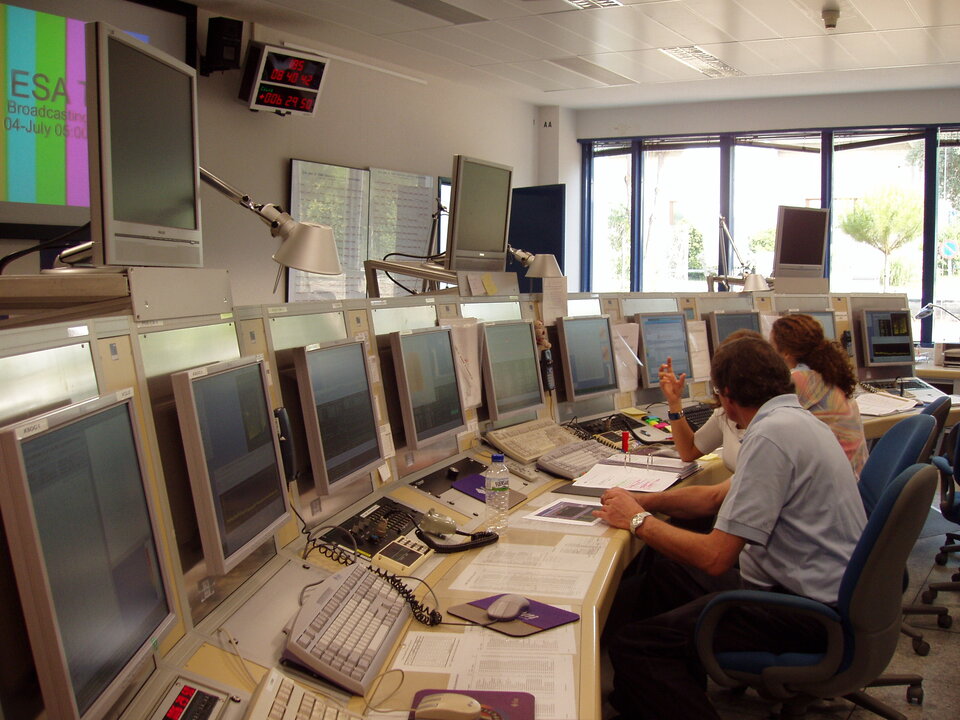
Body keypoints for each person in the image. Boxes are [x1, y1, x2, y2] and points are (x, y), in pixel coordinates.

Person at [594, 335, 866, 720]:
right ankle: (648, 700)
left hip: (803, 613)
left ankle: (664, 693)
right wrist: (644, 502)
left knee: (638, 645)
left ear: (726, 396)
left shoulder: (770, 436)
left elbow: (716, 558)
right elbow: (716, 498)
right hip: (816, 593)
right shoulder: (795, 420)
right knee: (667, 574)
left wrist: (637, 521)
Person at [770, 313, 868, 477]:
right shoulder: (827, 373)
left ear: (786, 352)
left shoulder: (800, 379)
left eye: (771, 345)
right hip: (854, 479)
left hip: (838, 485)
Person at [658, 329, 764, 471]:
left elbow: (722, 491)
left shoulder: (770, 422)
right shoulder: (725, 414)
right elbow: (688, 451)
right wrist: (674, 402)